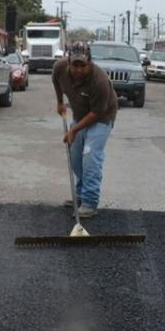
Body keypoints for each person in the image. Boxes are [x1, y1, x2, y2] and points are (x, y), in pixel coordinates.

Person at [53, 41, 119, 218]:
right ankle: (80, 195)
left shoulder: (100, 80)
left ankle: (89, 202)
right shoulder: (60, 68)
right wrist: (60, 102)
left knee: (90, 157)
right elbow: (56, 79)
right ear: (69, 63)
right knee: (75, 157)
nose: (79, 69)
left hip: (102, 118)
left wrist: (73, 131)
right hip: (79, 116)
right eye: (75, 65)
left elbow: (97, 112)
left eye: (83, 65)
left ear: (89, 62)